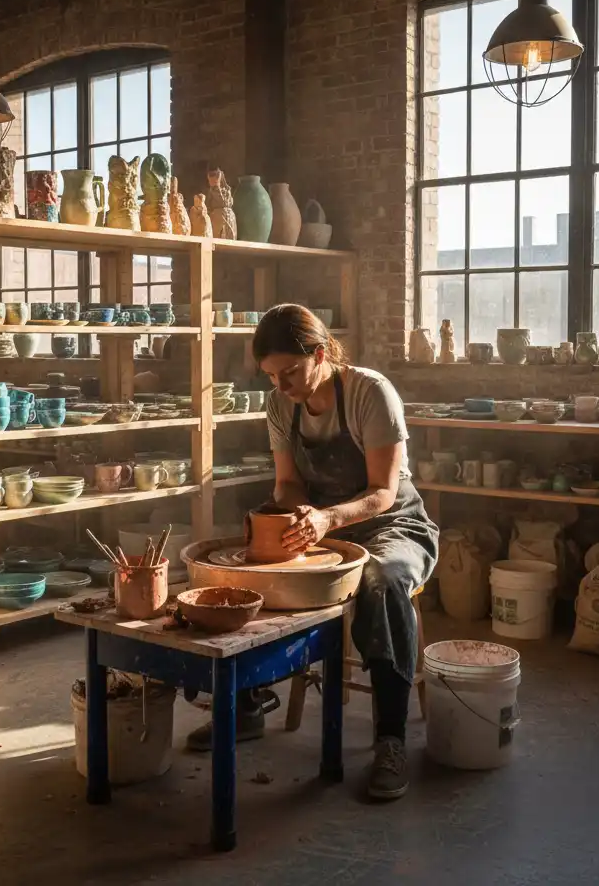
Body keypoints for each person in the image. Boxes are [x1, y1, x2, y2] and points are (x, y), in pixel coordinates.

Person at [187, 304, 439, 799]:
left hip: (392, 525)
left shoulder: (370, 391)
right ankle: (247, 706)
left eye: (290, 372)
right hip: (320, 525)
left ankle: (390, 738)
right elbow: (287, 485)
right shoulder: (281, 405)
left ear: (320, 354)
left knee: (381, 581)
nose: (281, 386)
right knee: (242, 568)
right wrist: (278, 517)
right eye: (270, 376)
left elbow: (383, 492)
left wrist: (325, 518)